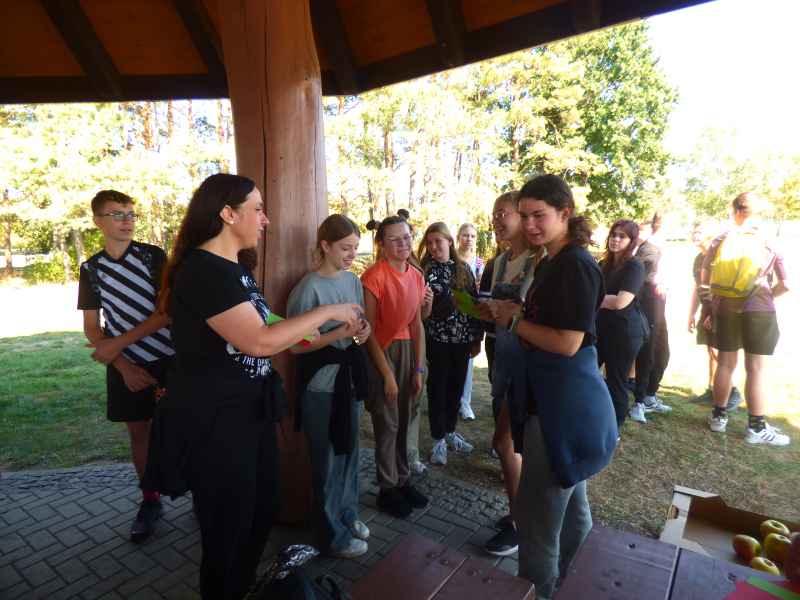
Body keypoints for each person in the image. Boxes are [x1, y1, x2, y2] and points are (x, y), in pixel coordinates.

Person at [149, 174, 362, 599]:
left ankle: (241, 589)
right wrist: (327, 312)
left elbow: (265, 325)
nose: (265, 219)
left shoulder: (236, 269)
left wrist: (302, 331)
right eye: (258, 209)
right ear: (228, 214)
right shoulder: (203, 271)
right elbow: (258, 341)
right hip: (218, 423)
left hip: (250, 413)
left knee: (261, 510)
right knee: (228, 527)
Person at [489, 174, 617, 599]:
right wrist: (513, 312)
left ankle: (538, 592)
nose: (529, 225)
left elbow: (567, 342)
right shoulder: (550, 261)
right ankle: (579, 587)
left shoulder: (575, 265)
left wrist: (513, 320)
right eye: (524, 215)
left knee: (536, 525)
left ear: (565, 213)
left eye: (538, 215)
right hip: (554, 400)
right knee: (574, 511)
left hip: (563, 408)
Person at [77, 190, 174, 543]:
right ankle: (150, 500)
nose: (127, 220)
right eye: (117, 214)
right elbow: (92, 328)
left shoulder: (152, 257)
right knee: (139, 433)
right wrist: (123, 365)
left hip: (170, 359)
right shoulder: (91, 269)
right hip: (126, 367)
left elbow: (167, 312)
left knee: (185, 427)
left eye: (131, 214)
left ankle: (200, 492)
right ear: (97, 221)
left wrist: (116, 343)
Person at [287, 214, 372, 559]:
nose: (352, 254)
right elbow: (294, 345)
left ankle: (347, 513)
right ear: (325, 245)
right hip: (322, 386)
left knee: (349, 452)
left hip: (348, 380)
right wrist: (338, 333)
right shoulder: (308, 289)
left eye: (355, 248)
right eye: (345, 248)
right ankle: (331, 533)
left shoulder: (352, 281)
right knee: (327, 460)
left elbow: (361, 324)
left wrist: (362, 331)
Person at [480, 191, 543, 558]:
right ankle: (519, 512)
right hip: (503, 358)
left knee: (508, 443)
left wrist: (505, 311)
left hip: (527, 364)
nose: (497, 220)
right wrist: (484, 310)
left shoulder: (540, 261)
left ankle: (522, 524)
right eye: (494, 214)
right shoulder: (501, 261)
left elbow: (532, 314)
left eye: (503, 213)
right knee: (508, 444)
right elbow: (502, 312)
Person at [702, 192, 790, 446]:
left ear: (735, 211)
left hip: (724, 306)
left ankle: (718, 418)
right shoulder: (768, 240)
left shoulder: (721, 238)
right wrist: (768, 296)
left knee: (725, 364)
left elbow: (705, 277)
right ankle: (756, 427)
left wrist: (709, 306)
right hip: (759, 308)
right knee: (756, 368)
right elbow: (786, 284)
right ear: (758, 212)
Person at [362, 214, 430, 517]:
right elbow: (368, 332)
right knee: (388, 422)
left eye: (407, 237)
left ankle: (403, 479)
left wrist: (418, 369)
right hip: (382, 353)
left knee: (406, 418)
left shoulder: (416, 275)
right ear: (382, 243)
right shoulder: (373, 277)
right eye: (395, 239)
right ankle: (387, 487)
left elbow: (417, 325)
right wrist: (387, 373)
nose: (403, 243)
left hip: (409, 351)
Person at [418, 222, 483, 466]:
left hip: (462, 340)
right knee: (437, 389)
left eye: (438, 241)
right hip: (437, 340)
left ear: (449, 242)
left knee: (456, 389)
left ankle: (450, 431)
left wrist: (476, 337)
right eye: (430, 242)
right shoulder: (424, 270)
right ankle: (438, 440)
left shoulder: (463, 269)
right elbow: (421, 310)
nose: (434, 246)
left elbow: (474, 305)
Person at [596, 220, 648, 428]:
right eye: (613, 234)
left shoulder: (635, 265)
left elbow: (620, 302)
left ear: (631, 241)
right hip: (601, 328)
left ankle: (614, 427)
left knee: (616, 381)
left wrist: (591, 298)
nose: (616, 239)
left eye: (622, 236)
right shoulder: (604, 264)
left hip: (625, 332)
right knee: (588, 373)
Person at [688, 223, 742, 409]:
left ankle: (733, 392)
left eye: (700, 232)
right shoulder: (698, 258)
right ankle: (712, 390)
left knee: (721, 352)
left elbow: (722, 289)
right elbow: (697, 288)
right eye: (694, 231)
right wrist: (691, 313)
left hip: (720, 309)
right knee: (710, 350)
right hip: (706, 309)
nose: (695, 235)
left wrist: (713, 313)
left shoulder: (719, 257)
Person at [631, 217, 672, 422]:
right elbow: (640, 277)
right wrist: (654, 282)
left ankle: (648, 396)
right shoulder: (648, 250)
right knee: (648, 351)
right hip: (648, 303)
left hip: (658, 304)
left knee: (662, 351)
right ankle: (639, 401)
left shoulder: (658, 248)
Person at [456, 223, 485, 421]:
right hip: (451, 316)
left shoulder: (479, 263)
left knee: (468, 362)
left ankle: (464, 403)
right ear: (458, 237)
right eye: (465, 235)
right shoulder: (452, 259)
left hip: (470, 318)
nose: (469, 239)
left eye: (473, 236)